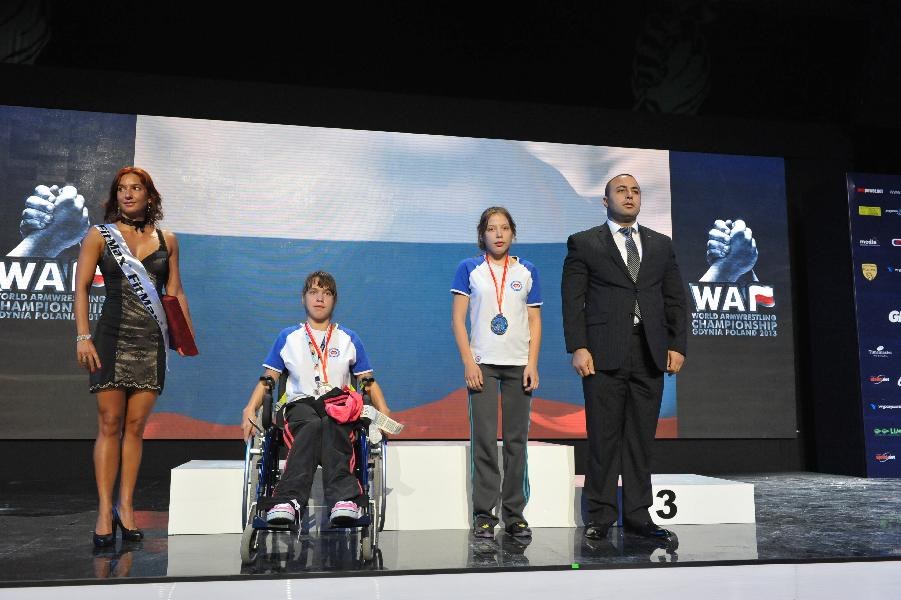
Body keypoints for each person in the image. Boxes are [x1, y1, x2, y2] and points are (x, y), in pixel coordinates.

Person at [561, 174, 686, 545]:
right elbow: (573, 301)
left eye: (635, 191)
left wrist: (677, 345)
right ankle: (599, 516)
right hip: (602, 353)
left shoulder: (661, 245)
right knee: (603, 437)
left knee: (640, 440)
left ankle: (637, 516)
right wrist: (578, 346)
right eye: (621, 191)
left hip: (649, 352)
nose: (629, 196)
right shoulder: (584, 243)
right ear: (605, 201)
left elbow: (676, 299)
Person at [74, 167, 194, 547]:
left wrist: (185, 337)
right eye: (122, 189)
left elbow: (174, 290)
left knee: (136, 426)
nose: (128, 194)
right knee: (110, 421)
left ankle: (126, 507)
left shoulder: (167, 240)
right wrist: (82, 336)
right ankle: (103, 510)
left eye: (135, 188)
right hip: (110, 336)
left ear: (149, 196)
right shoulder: (100, 236)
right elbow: (79, 288)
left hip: (150, 341)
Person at [240, 271, 391, 527]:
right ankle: (287, 501)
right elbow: (269, 378)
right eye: (313, 292)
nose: (320, 298)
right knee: (311, 423)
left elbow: (367, 381)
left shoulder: (349, 339)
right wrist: (250, 408)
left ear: (334, 300)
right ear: (303, 298)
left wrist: (384, 412)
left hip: (338, 407)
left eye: (327, 293)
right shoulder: (288, 337)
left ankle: (343, 500)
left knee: (330, 423)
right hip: (300, 407)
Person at [451, 207, 543, 539]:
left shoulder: (528, 271)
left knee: (517, 441)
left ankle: (515, 513)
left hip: (519, 364)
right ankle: (484, 513)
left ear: (513, 233)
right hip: (483, 365)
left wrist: (532, 363)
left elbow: (534, 321)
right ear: (482, 235)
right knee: (486, 441)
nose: (499, 234)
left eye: (505, 228)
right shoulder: (469, 269)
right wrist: (468, 362)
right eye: (492, 229)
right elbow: (458, 321)